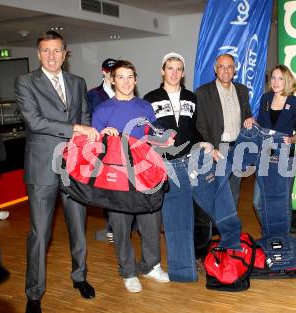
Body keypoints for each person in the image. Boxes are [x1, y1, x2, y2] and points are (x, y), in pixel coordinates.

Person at [14, 31, 98, 313]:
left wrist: (84, 145)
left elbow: (85, 116)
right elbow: (35, 121)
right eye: (45, 51)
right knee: (40, 233)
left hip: (73, 168)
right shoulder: (25, 82)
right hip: (41, 168)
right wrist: (75, 129)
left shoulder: (78, 82)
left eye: (56, 50)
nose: (51, 56)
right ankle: (34, 293)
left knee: (79, 228)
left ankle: (80, 276)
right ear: (38, 54)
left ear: (65, 53)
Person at [144, 52, 242, 281]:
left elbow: (194, 129)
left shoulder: (190, 97)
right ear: (162, 71)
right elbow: (147, 132)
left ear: (184, 72)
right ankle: (182, 272)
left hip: (193, 160)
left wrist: (207, 145)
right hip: (168, 165)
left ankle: (234, 247)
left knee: (218, 201)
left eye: (179, 69)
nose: (175, 73)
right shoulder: (150, 98)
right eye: (170, 68)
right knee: (176, 220)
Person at [92, 60, 170, 293]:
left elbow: (153, 135)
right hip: (116, 175)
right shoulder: (102, 110)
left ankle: (151, 265)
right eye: (121, 77)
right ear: (113, 80)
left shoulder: (145, 106)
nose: (126, 82)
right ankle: (127, 271)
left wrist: (164, 138)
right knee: (120, 225)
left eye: (130, 77)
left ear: (136, 80)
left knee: (151, 221)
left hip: (144, 173)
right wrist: (103, 135)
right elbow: (93, 143)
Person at [245, 64, 296, 234]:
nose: (275, 82)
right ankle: (271, 233)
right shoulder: (266, 99)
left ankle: (283, 238)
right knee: (258, 202)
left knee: (283, 204)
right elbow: (262, 125)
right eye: (273, 78)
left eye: (280, 78)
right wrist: (252, 120)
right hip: (265, 157)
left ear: (287, 80)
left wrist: (292, 138)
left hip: (286, 157)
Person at [196, 53, 253, 208]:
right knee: (217, 191)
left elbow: (247, 115)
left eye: (229, 67)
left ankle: (228, 228)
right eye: (221, 67)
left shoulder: (242, 90)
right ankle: (214, 227)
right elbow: (200, 124)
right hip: (217, 150)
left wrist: (250, 119)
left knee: (233, 192)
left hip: (238, 148)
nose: (225, 71)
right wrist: (211, 148)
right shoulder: (203, 92)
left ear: (235, 70)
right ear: (215, 69)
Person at [87, 57, 116, 241]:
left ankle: (119, 225)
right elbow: (88, 120)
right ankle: (111, 227)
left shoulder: (125, 91)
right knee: (107, 187)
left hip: (122, 146)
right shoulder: (92, 95)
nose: (112, 75)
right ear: (103, 72)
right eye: (109, 71)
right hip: (102, 148)